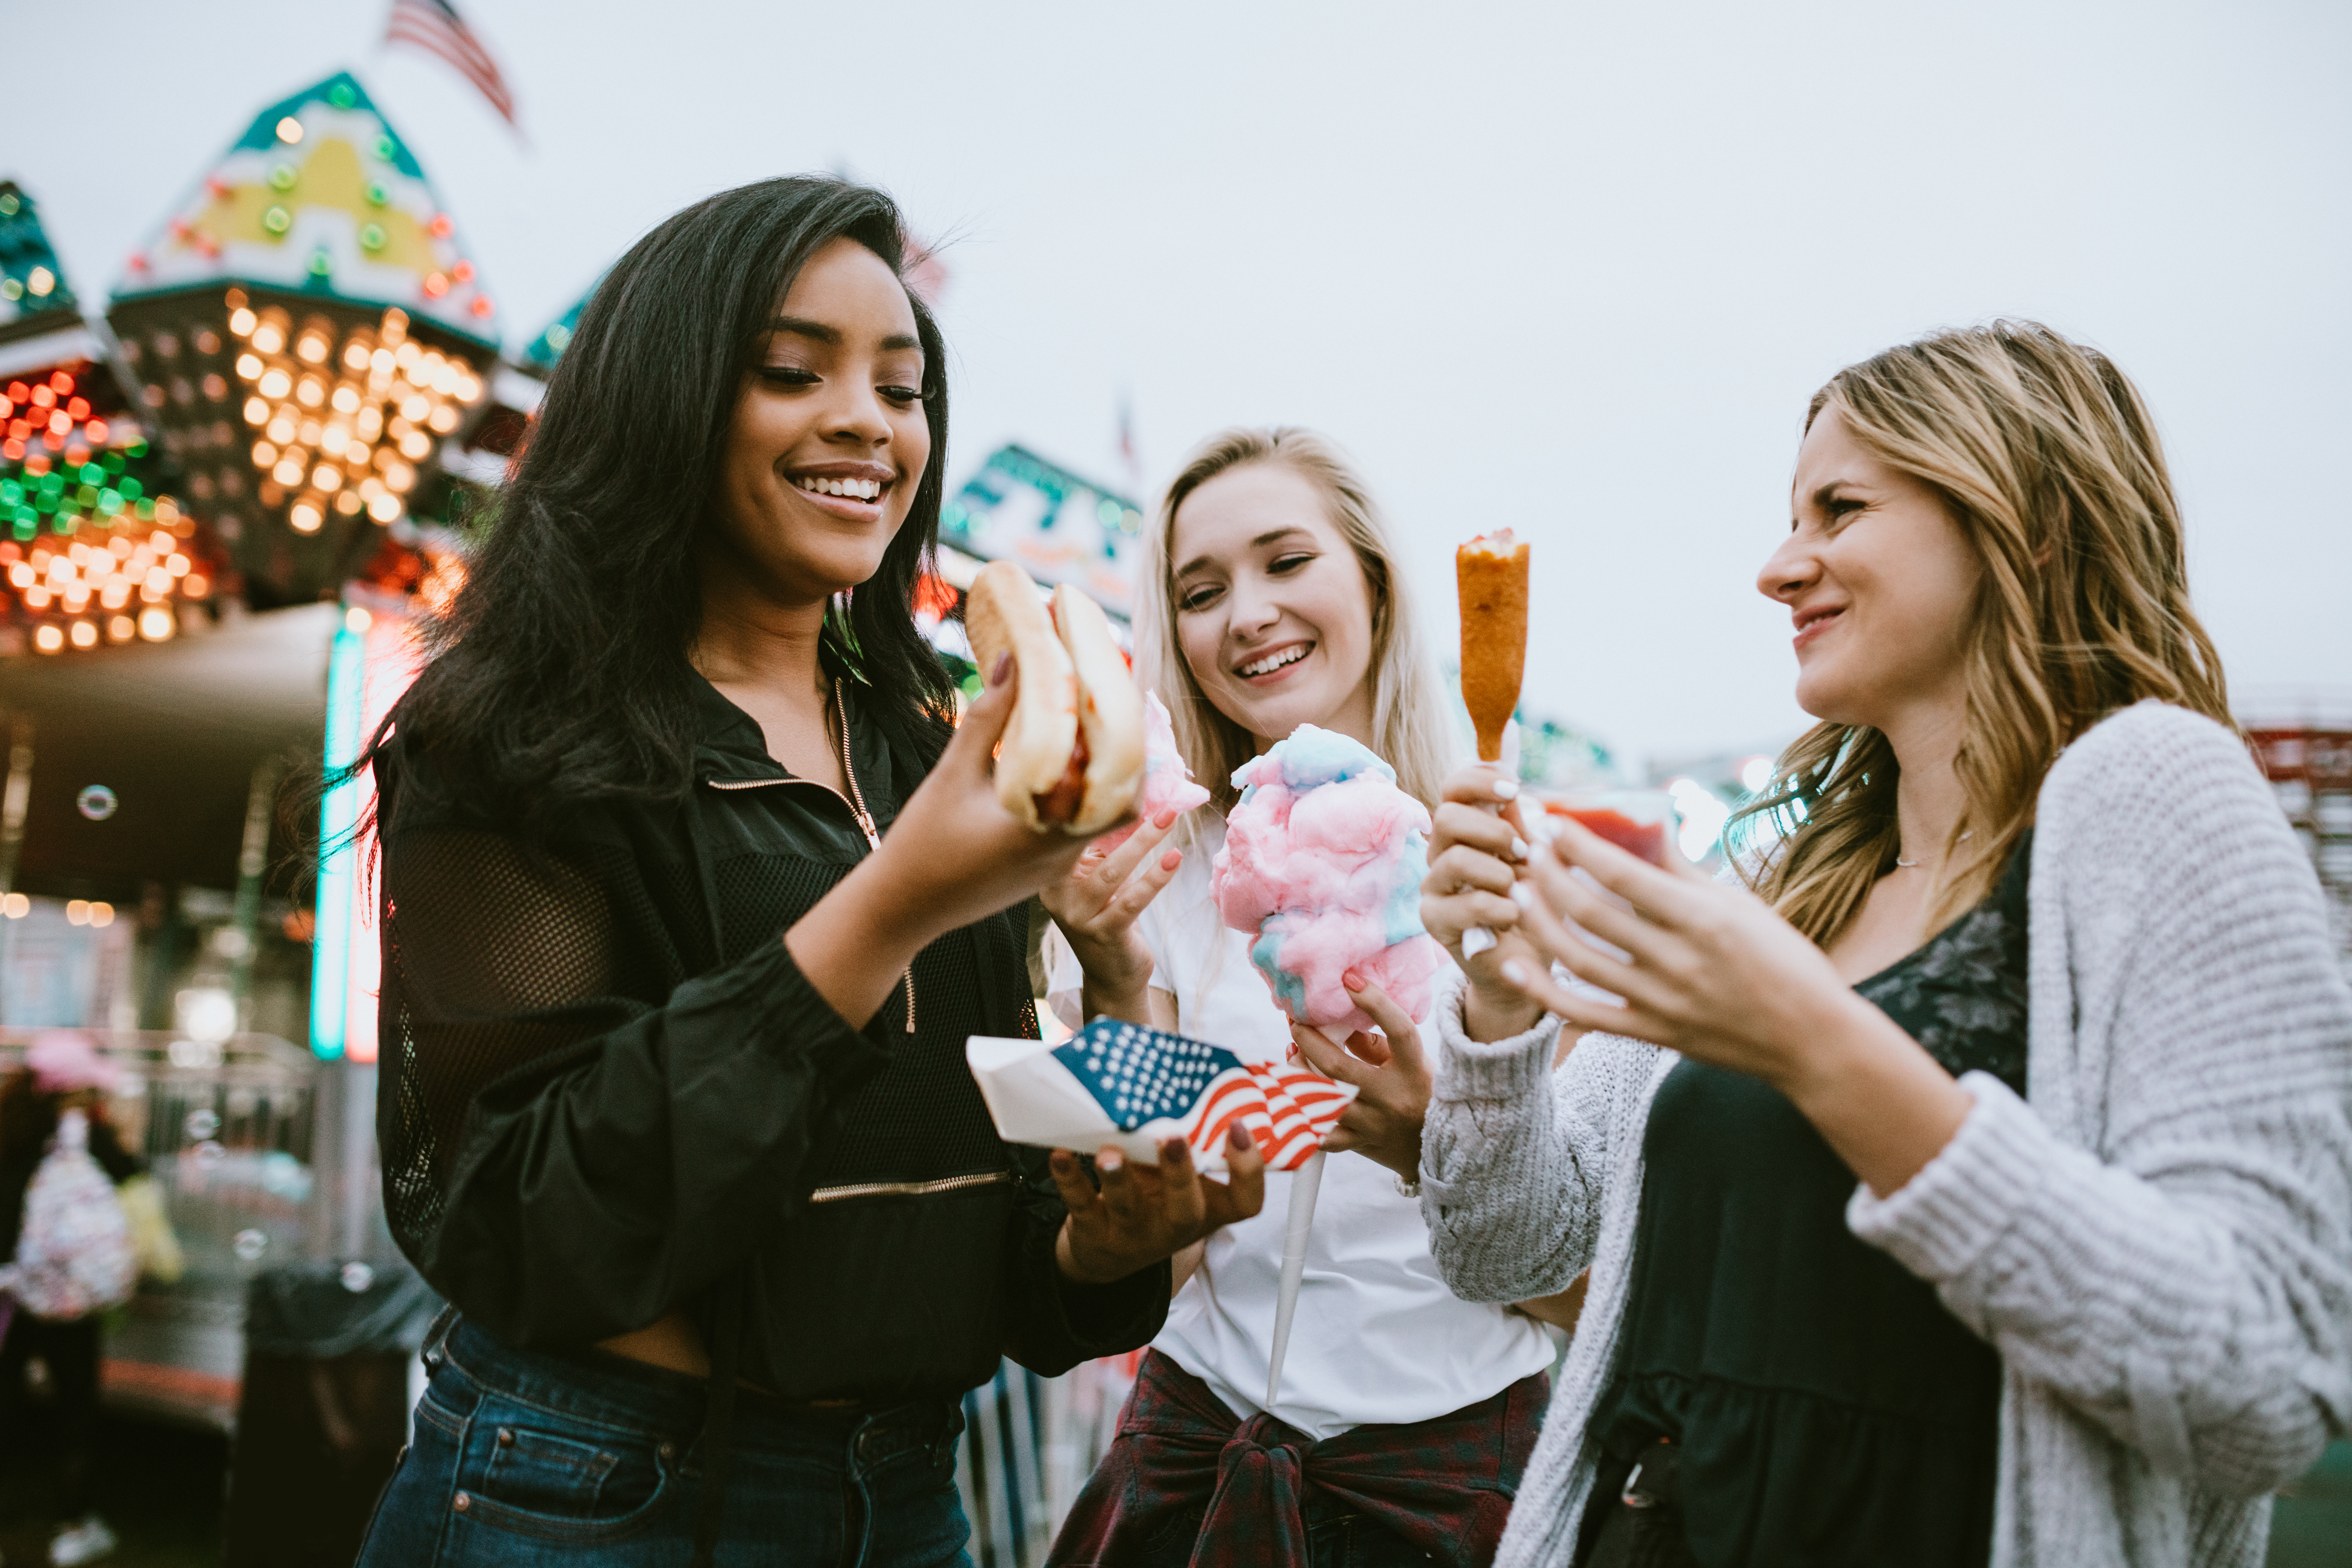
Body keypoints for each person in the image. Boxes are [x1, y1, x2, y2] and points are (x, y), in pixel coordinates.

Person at [348, 177, 1264, 1568]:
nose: (868, 423)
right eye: (794, 372)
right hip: (596, 1490)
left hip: (902, 1496)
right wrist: (891, 906)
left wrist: (1107, 1232)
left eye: (903, 390)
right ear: (665, 399)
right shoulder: (515, 736)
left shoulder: (927, 753)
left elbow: (997, 1229)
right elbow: (525, 1218)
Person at [1414, 320, 2352, 1568]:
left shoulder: (2159, 796)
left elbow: (2267, 1392)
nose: (1777, 567)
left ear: (2016, 516)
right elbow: (1504, 1251)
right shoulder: (1787, 886)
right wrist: (1494, 1012)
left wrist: (1819, 1047)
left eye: (1838, 510)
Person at [1043, 428, 1567, 1567]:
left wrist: (1434, 1142)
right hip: (1201, 1439)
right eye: (1201, 589)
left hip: (1456, 1467)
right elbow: (1140, 1233)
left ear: (1373, 583)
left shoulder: (1509, 867)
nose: (1246, 614)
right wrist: (1118, 982)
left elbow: (1582, 1281)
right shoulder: (1163, 877)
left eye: (1287, 563)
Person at [0, 1033, 145, 1568]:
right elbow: (136, 1180)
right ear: (76, 1087)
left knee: (6, 1404)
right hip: (68, 1293)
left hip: (11, 1289)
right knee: (76, 1407)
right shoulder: (87, 1135)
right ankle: (73, 1524)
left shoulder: (10, 1128)